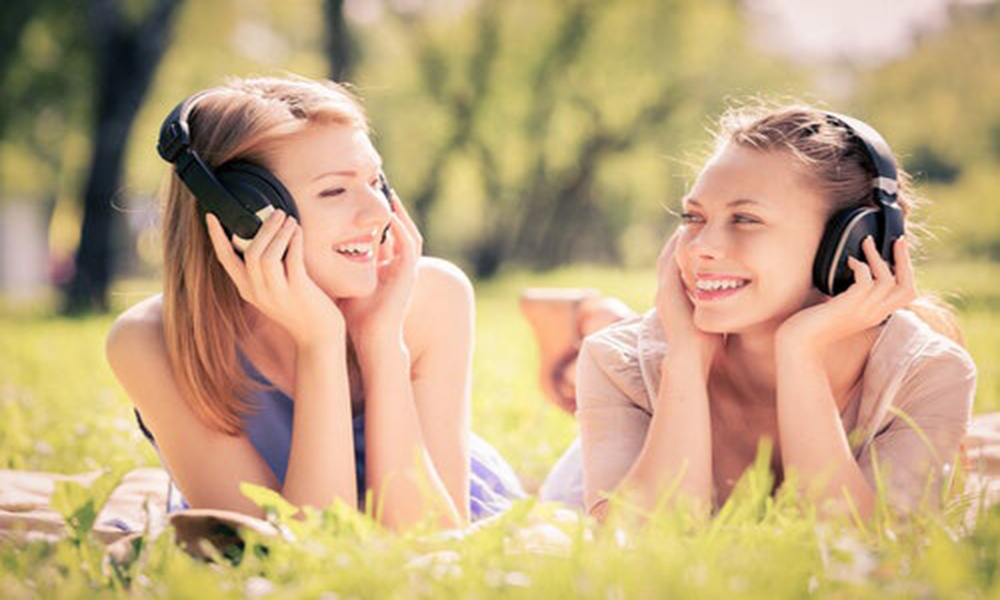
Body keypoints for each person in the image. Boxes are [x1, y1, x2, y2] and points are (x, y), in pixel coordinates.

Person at [106, 76, 523, 530]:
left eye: (375, 181)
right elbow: (300, 552)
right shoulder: (149, 342)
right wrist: (320, 343)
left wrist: (381, 344)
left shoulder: (433, 297)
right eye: (334, 191)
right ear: (243, 215)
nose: (379, 212)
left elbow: (425, 540)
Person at [536, 105, 976, 520]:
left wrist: (799, 353)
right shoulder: (614, 361)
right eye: (693, 217)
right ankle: (597, 316)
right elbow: (639, 551)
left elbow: (863, 555)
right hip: (601, 471)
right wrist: (686, 358)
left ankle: (597, 310)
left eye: (745, 219)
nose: (703, 247)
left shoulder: (930, 373)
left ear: (851, 243)